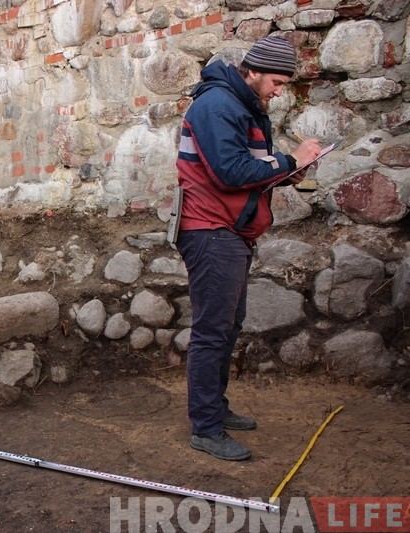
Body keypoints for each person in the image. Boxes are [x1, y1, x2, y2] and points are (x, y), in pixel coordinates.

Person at [174, 35, 320, 461]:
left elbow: (248, 167)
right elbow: (229, 173)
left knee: (227, 326)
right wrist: (290, 160)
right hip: (211, 230)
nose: (279, 92)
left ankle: (215, 411)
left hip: (228, 231)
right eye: (276, 82)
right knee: (212, 331)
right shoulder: (218, 105)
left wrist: (286, 173)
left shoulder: (239, 104)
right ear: (252, 71)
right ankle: (206, 428)